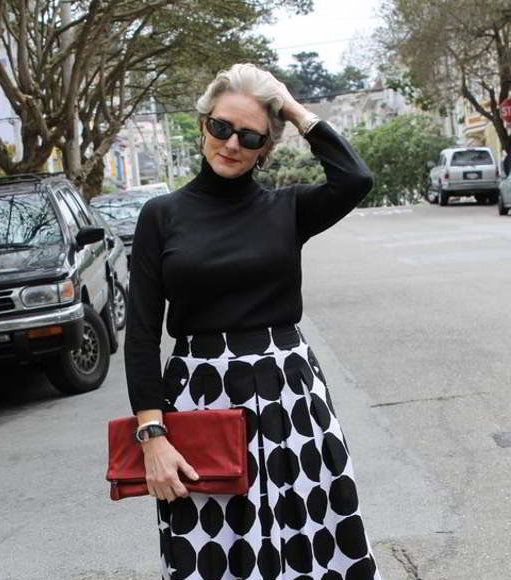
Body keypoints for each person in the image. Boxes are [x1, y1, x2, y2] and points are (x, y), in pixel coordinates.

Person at [124, 63, 380, 580]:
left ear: (265, 147)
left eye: (249, 135)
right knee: (212, 549)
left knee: (309, 540)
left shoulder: (288, 209)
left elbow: (355, 178)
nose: (231, 143)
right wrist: (152, 436)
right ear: (202, 124)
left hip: (290, 398)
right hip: (199, 398)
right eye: (221, 126)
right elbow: (143, 332)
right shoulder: (161, 215)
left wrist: (293, 109)